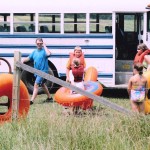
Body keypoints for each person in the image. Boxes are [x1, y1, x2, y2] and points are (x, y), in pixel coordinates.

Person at [22, 38, 53, 105]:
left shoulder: (44, 51)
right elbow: (29, 58)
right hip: (36, 71)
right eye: (38, 43)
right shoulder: (34, 52)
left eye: (40, 43)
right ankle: (50, 98)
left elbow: (49, 54)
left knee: (36, 85)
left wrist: (45, 46)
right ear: (36, 44)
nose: (39, 44)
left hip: (43, 71)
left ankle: (31, 101)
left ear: (42, 43)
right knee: (42, 84)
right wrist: (22, 61)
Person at [64, 46, 86, 115]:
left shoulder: (83, 60)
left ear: (81, 52)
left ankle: (77, 110)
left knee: (80, 95)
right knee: (73, 94)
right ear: (74, 52)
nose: (78, 53)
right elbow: (67, 68)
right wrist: (67, 77)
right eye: (76, 52)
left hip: (80, 82)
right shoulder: (70, 60)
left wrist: (84, 78)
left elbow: (84, 70)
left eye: (79, 52)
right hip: (74, 82)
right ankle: (73, 110)